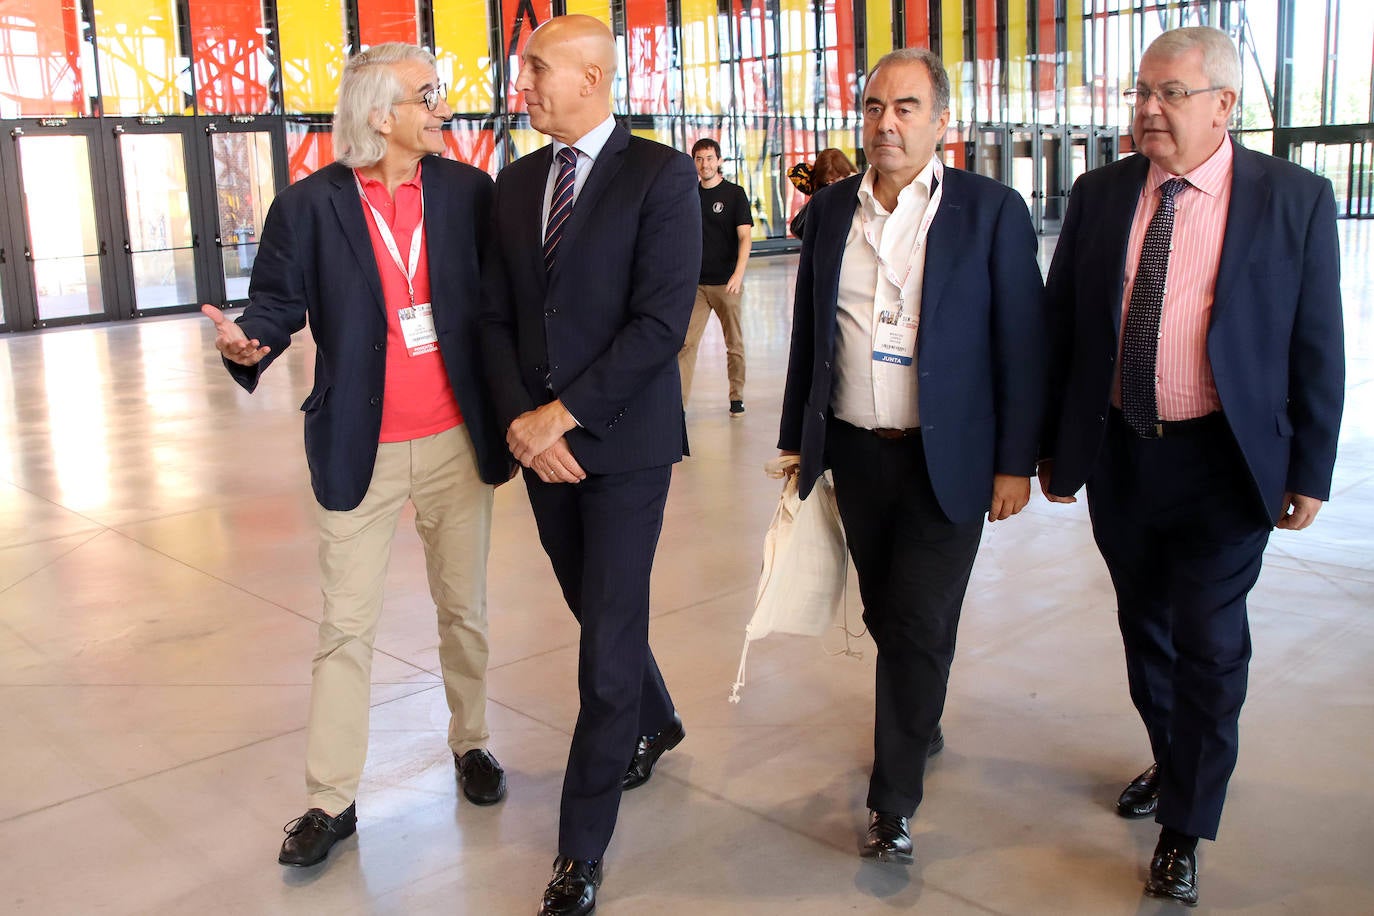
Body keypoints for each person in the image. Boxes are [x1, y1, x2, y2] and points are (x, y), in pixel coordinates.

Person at [1038, 26, 1344, 907]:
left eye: (1170, 93)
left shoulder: (1292, 199)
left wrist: (1311, 470)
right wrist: (1046, 448)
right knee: (1147, 631)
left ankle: (1187, 819)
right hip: (1125, 453)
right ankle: (1177, 762)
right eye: (1142, 92)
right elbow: (1063, 330)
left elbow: (1316, 344)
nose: (1148, 109)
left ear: (1223, 105)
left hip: (1224, 461)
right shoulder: (1101, 195)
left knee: (1210, 640)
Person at [200, 43, 512, 870]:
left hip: (454, 438)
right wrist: (248, 343)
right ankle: (330, 800)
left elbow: (501, 302)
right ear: (382, 115)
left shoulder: (467, 192)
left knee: (465, 611)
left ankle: (472, 742)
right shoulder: (308, 207)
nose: (443, 108)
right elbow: (275, 304)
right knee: (345, 628)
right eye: (427, 95)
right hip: (357, 446)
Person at [777, 48, 1047, 866]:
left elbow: (1023, 346)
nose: (886, 123)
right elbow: (809, 337)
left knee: (921, 622)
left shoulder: (992, 211)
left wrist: (1015, 463)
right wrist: (798, 441)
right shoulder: (828, 214)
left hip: (949, 458)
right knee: (889, 614)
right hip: (858, 455)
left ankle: (891, 802)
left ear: (941, 122)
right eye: (873, 107)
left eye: (905, 108)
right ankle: (919, 715)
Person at [477, 16, 701, 916]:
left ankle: (579, 849)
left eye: (536, 67)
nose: (521, 82)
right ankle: (660, 718)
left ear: (595, 77)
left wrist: (562, 417)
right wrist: (522, 429)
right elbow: (494, 319)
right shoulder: (517, 184)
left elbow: (658, 322)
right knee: (592, 606)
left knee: (604, 645)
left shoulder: (660, 175)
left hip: (623, 447)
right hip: (541, 449)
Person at [677, 137, 753, 416]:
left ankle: (736, 396)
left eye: (709, 158)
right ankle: (678, 405)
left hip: (726, 284)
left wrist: (738, 274)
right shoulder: (689, 195)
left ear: (719, 161)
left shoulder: (734, 194)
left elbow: (745, 237)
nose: (704, 164)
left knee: (734, 345)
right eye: (699, 158)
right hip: (696, 285)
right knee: (685, 343)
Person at [788, 147, 859, 239]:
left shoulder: (858, 187)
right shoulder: (823, 194)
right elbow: (799, 228)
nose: (831, 184)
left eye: (834, 179)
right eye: (827, 182)